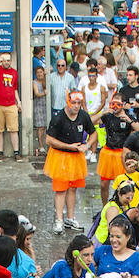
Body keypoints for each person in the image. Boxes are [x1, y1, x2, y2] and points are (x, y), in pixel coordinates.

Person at [45, 92, 98, 233]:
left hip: (76, 157)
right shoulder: (59, 117)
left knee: (73, 188)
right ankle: (59, 220)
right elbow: (49, 140)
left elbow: (94, 133)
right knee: (60, 189)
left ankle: (70, 217)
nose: (76, 106)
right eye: (73, 103)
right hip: (60, 156)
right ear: (68, 102)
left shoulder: (83, 116)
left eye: (79, 103)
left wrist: (87, 145)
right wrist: (69, 146)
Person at [0, 55, 22, 161]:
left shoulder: (14, 72)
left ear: (11, 61)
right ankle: (0, 153)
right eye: (4, 60)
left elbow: (14, 88)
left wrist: (19, 102)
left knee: (14, 129)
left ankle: (16, 152)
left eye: (8, 60)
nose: (6, 62)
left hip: (11, 104)